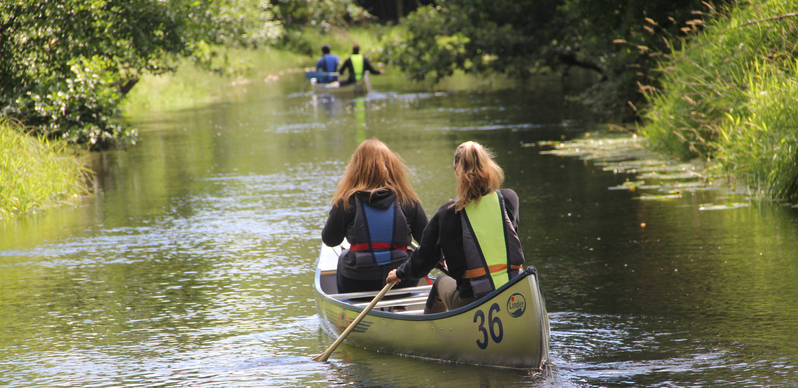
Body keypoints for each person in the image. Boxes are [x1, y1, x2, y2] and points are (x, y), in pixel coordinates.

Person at [386, 141, 525, 313]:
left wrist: (399, 273)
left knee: (440, 283)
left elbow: (423, 261)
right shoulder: (509, 200)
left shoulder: (447, 214)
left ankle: (432, 334)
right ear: (488, 165)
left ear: (456, 169)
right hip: (515, 292)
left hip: (473, 299)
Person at [322, 139, 428, 293]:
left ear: (355, 169)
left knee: (344, 256)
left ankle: (354, 308)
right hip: (401, 280)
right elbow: (429, 242)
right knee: (409, 259)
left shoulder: (346, 201)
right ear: (391, 166)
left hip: (358, 280)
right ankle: (399, 307)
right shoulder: (407, 200)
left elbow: (330, 240)